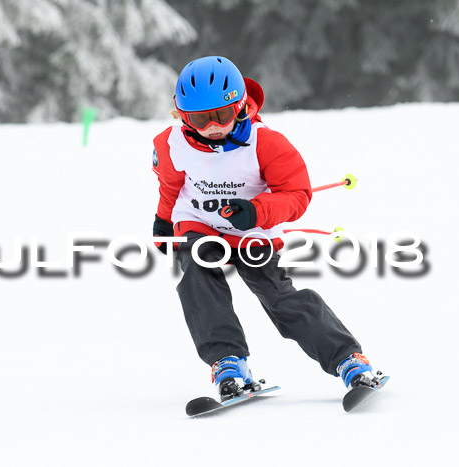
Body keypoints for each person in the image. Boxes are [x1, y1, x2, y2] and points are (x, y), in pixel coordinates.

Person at [151, 56, 375, 401]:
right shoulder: (172, 144)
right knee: (198, 274)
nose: (212, 126)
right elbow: (171, 184)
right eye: (199, 118)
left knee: (280, 298)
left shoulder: (266, 144)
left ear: (240, 106)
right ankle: (228, 363)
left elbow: (297, 195)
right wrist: (164, 221)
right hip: (200, 225)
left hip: (254, 231)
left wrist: (256, 212)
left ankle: (348, 360)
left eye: (222, 116)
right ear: (182, 116)